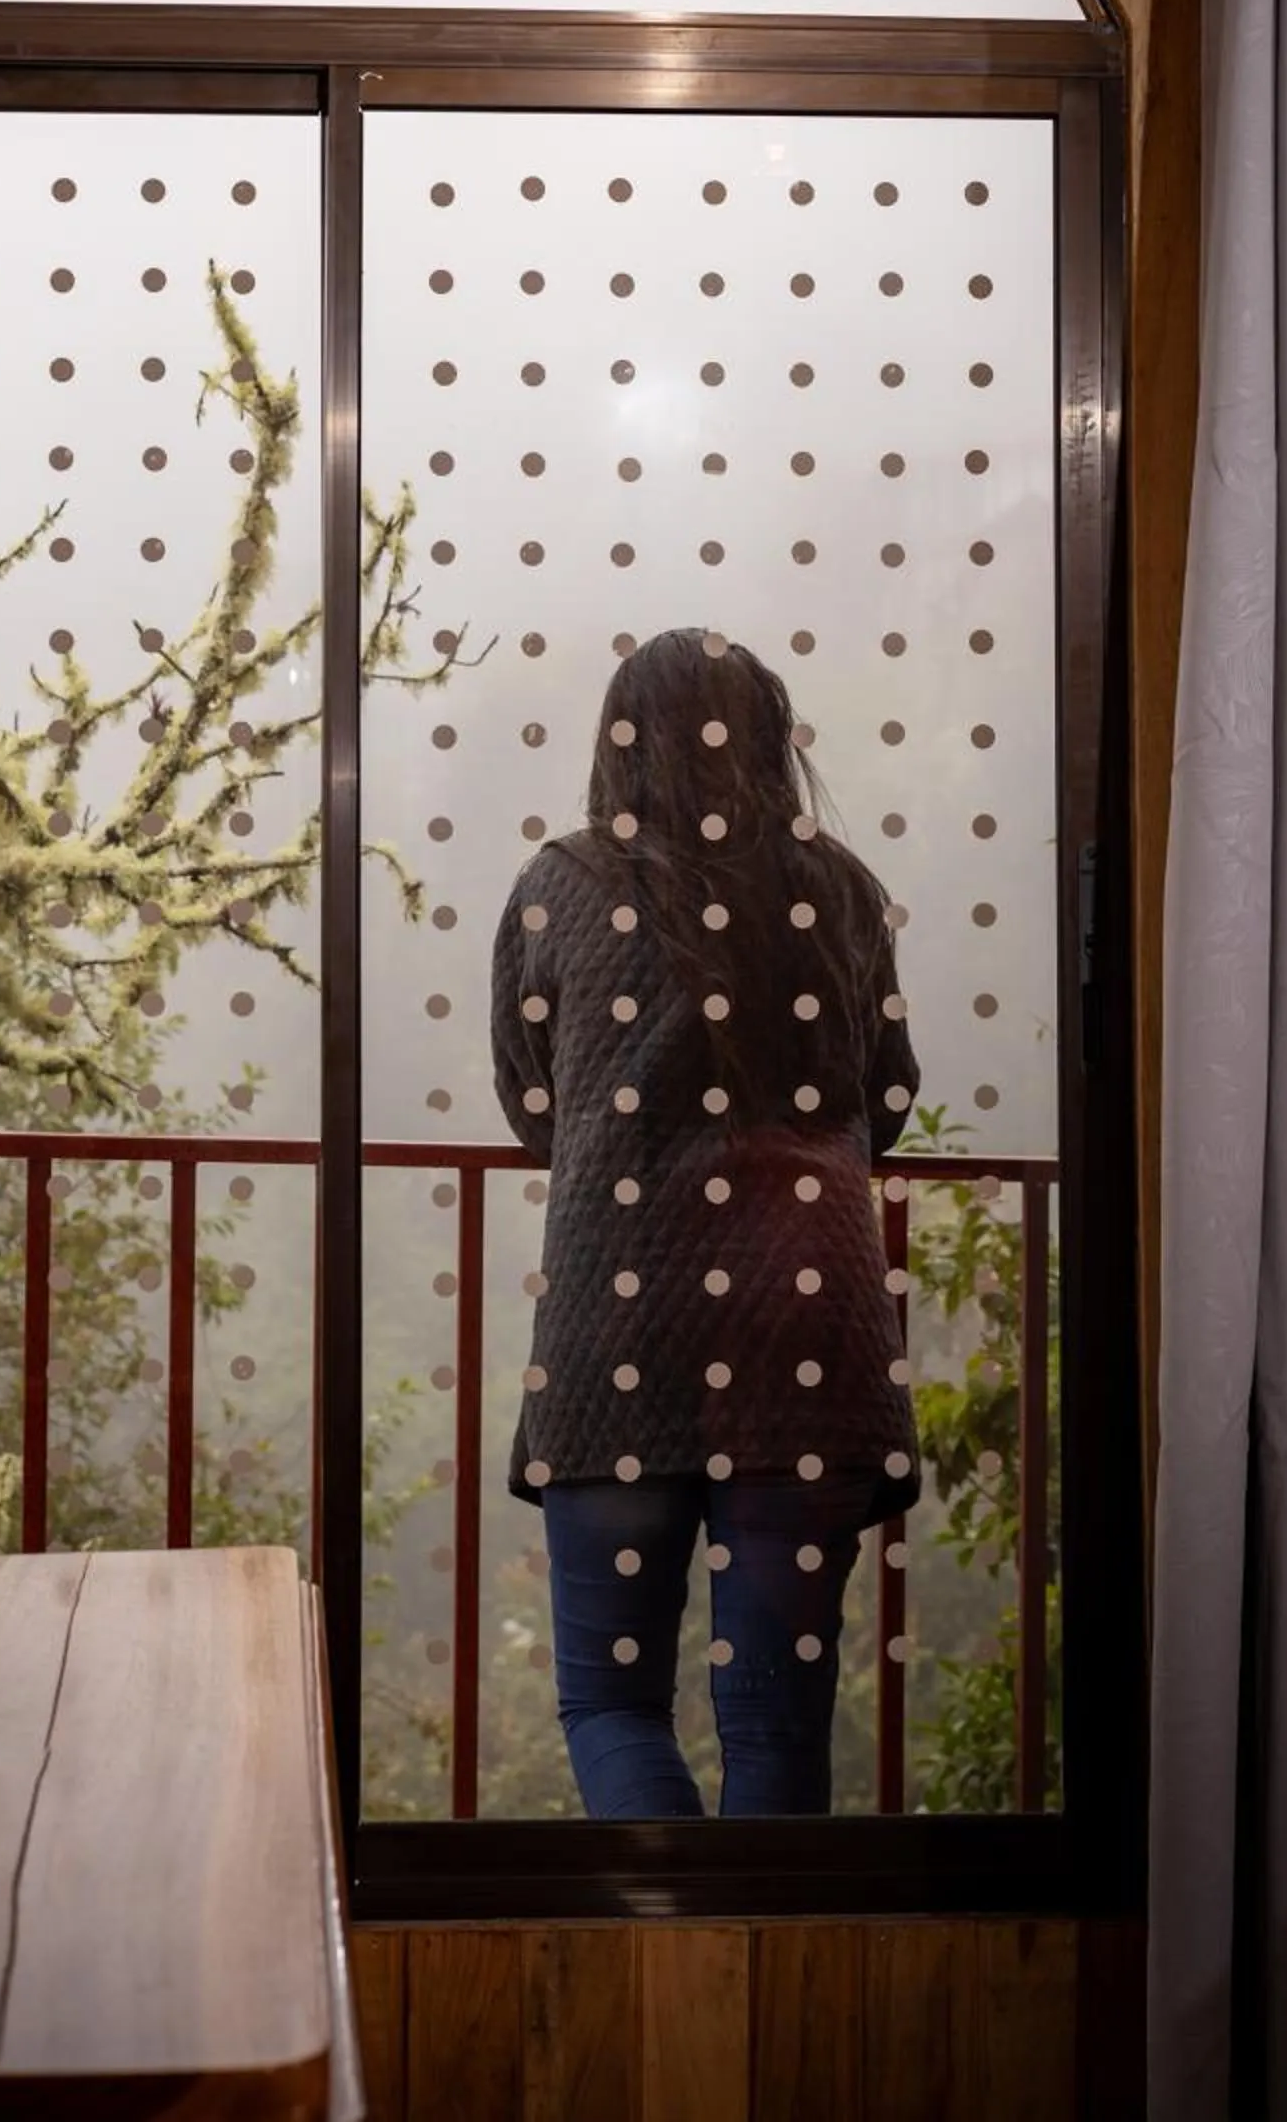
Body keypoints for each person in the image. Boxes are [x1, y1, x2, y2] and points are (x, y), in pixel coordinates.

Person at [490, 626, 920, 1819]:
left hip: (617, 1337)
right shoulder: (834, 889)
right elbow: (886, 1092)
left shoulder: (562, 884)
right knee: (777, 1717)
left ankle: (674, 1969)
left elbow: (533, 1097)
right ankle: (773, 1987)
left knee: (613, 1703)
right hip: (808, 1322)